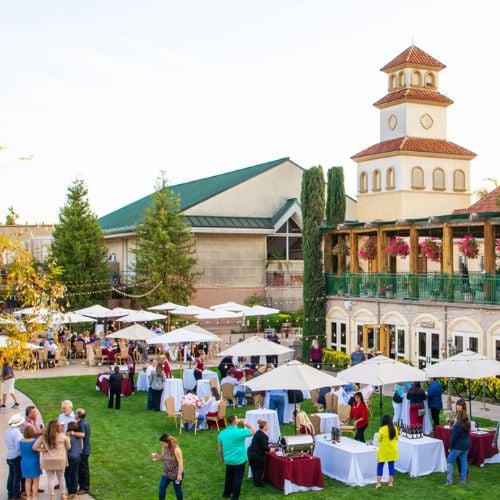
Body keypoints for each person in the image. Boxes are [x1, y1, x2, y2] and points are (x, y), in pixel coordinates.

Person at [218, 415, 255, 500]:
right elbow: (253, 431)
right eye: (237, 418)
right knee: (237, 478)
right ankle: (234, 497)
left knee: (229, 476)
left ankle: (226, 493)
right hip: (239, 459)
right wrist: (245, 423)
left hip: (228, 459)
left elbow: (220, 446)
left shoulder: (222, 433)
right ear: (235, 421)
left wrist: (221, 456)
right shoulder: (240, 432)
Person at [33, 420, 71, 499]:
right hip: (60, 460)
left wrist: (43, 450)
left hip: (48, 460)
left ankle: (52, 496)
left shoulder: (44, 437)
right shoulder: (63, 436)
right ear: (57, 427)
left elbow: (34, 447)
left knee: (50, 478)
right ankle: (63, 494)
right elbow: (68, 447)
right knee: (61, 477)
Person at [445, 409, 471, 486]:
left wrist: (450, 448)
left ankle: (449, 481)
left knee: (449, 461)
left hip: (458, 447)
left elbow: (453, 438)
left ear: (458, 417)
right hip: (466, 446)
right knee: (464, 462)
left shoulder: (457, 425)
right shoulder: (467, 424)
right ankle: (462, 480)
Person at [376, 414, 399, 489]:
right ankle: (390, 483)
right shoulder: (395, 428)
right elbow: (396, 438)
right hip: (392, 450)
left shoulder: (382, 429)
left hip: (383, 451)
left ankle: (378, 483)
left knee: (380, 467)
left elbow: (378, 440)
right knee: (391, 466)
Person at [20, 425, 43, 500]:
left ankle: (28, 497)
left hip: (24, 462)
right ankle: (34, 496)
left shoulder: (20, 441)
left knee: (27, 480)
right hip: (34, 462)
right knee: (35, 480)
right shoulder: (34, 441)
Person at [5, 413, 23, 500]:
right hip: (16, 457)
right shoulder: (17, 432)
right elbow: (18, 447)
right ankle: (17, 495)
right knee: (17, 476)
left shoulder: (8, 431)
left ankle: (10, 493)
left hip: (9, 456)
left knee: (11, 475)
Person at [247, 419, 270, 488]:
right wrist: (270, 449)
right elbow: (264, 448)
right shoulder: (264, 436)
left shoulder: (257, 432)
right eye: (267, 426)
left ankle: (256, 482)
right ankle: (259, 484)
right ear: (264, 426)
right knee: (259, 469)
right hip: (257, 455)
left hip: (250, 452)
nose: (268, 427)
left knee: (254, 469)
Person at [75, 408, 91, 496]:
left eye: (75, 413)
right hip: (86, 448)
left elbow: (83, 435)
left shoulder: (81, 424)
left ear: (78, 415)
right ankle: (83, 486)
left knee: (83, 469)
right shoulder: (85, 422)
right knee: (83, 468)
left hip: (83, 450)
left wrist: (72, 433)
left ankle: (84, 488)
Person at [65, 421, 83, 498]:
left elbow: (68, 448)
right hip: (78, 457)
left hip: (70, 458)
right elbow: (82, 447)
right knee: (75, 474)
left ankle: (70, 491)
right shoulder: (80, 437)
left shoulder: (69, 437)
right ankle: (74, 491)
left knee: (68, 475)